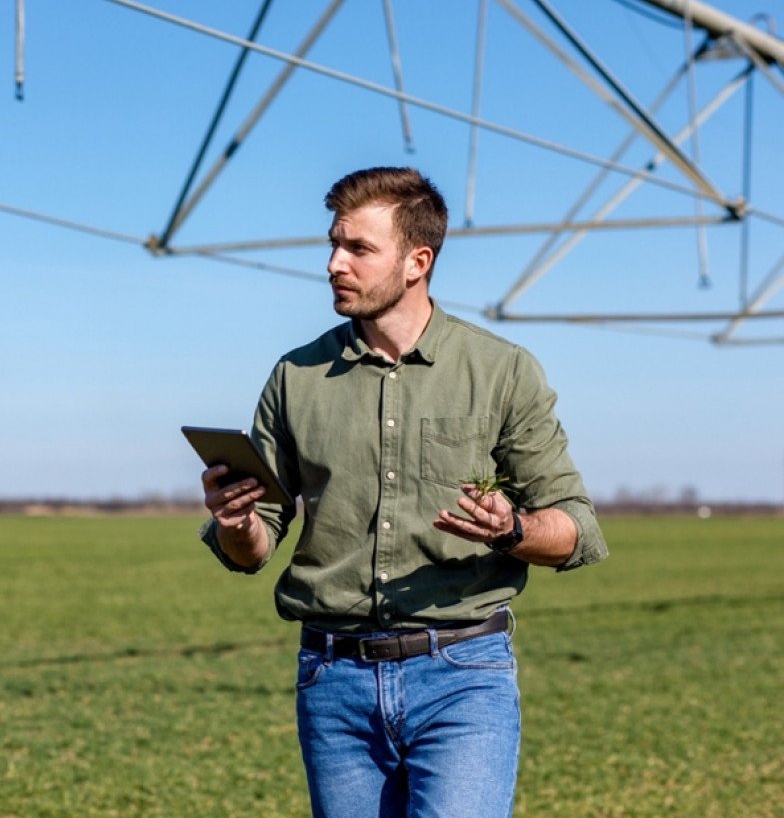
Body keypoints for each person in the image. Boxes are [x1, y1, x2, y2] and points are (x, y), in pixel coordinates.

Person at [198, 166, 607, 818]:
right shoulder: (294, 378)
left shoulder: (502, 371)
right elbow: (252, 549)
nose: (335, 262)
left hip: (463, 675)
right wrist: (235, 520)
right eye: (333, 243)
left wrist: (512, 530)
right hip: (333, 680)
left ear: (418, 261)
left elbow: (578, 530)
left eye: (358, 248)